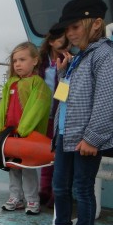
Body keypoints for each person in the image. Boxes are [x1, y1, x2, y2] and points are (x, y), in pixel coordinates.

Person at [35, 0, 113, 225]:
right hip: (65, 134)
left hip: (86, 138)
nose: (70, 34)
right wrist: (63, 74)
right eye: (67, 29)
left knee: (82, 188)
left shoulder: (106, 55)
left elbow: (106, 100)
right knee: (61, 187)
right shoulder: (77, 59)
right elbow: (64, 96)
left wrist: (93, 138)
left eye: (75, 27)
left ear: (96, 23)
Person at [0, 42, 51, 215]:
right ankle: (15, 197)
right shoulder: (11, 83)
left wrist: (24, 129)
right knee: (12, 167)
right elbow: (3, 106)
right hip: (10, 134)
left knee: (28, 169)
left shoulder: (38, 84)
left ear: (35, 61)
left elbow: (37, 107)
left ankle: (32, 200)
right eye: (15, 60)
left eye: (22, 59)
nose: (17, 64)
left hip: (26, 135)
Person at [37, 24, 69, 208]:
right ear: (50, 42)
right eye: (60, 42)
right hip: (44, 114)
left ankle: (56, 192)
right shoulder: (41, 62)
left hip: (60, 113)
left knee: (58, 154)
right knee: (45, 153)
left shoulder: (69, 61)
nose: (63, 46)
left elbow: (65, 89)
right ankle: (44, 189)